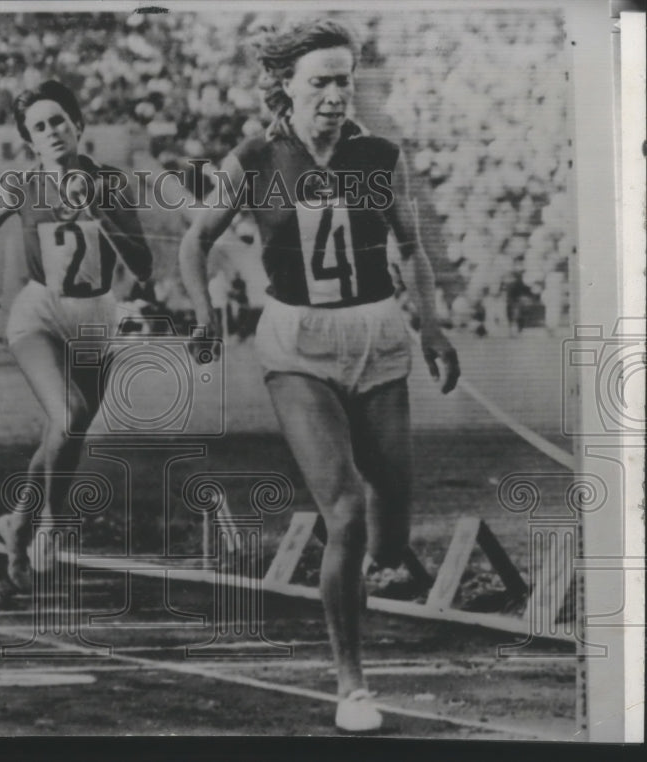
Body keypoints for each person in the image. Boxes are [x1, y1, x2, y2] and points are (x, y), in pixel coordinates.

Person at [178, 20, 459, 733]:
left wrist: (432, 324)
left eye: (344, 80)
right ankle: (352, 683)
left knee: (389, 524)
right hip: (296, 342)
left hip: (377, 333)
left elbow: (412, 248)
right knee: (345, 512)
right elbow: (195, 241)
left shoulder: (378, 155)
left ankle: (373, 567)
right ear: (286, 86)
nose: (335, 95)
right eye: (320, 82)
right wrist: (206, 315)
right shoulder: (253, 159)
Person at [0, 80, 152, 595]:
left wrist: (99, 212)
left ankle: (18, 520)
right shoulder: (23, 183)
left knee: (65, 434)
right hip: (38, 311)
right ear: (30, 142)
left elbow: (143, 262)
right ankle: (52, 524)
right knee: (70, 415)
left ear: (78, 126)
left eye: (59, 120)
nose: (52, 132)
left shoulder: (108, 181)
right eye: (39, 127)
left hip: (96, 314)